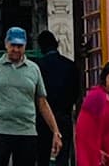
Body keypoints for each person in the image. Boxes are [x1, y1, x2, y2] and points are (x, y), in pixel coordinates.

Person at [0, 28, 62, 166]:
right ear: (6, 44)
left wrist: (55, 131)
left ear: (25, 46)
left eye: (19, 46)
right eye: (13, 45)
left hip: (26, 131)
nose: (16, 50)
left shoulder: (33, 69)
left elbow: (42, 102)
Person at [32, 31, 79, 166]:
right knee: (63, 157)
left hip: (42, 118)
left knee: (42, 157)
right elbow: (76, 93)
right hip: (64, 116)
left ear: (40, 47)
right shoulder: (70, 65)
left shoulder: (37, 67)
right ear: (57, 44)